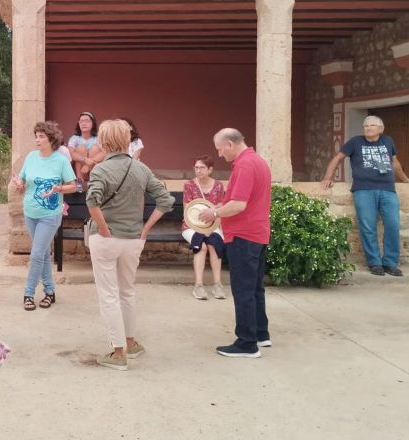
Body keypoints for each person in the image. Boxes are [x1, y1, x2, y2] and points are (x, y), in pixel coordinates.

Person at [85, 119, 175, 371]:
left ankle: (117, 353)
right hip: (133, 239)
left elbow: (92, 201)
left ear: (103, 142)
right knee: (127, 291)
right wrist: (145, 230)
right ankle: (131, 343)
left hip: (106, 240)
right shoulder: (141, 169)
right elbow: (165, 201)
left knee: (109, 295)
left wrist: (103, 228)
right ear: (127, 141)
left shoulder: (100, 170)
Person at [198, 128, 271, 358]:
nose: (220, 155)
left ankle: (247, 343)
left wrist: (214, 213)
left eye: (220, 149)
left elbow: (238, 204)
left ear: (230, 144)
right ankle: (261, 333)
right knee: (255, 287)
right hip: (257, 233)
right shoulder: (258, 160)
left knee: (243, 290)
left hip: (243, 235)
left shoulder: (244, 165)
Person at [321, 115, 409, 276]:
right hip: (364, 189)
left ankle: (390, 263)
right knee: (368, 227)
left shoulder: (387, 141)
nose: (368, 128)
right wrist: (328, 176)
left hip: (388, 189)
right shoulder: (355, 142)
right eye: (366, 126)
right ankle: (374, 262)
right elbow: (338, 158)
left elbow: (394, 163)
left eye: (372, 125)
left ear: (380, 129)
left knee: (393, 224)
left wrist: (404, 179)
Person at [10, 121, 76, 311]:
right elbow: (23, 182)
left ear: (51, 139)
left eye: (41, 136)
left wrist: (59, 188)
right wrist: (19, 184)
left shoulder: (61, 160)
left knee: (37, 254)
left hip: (50, 214)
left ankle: (28, 294)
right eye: (36, 136)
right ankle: (50, 292)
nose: (37, 140)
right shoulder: (31, 157)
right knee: (44, 253)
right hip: (30, 212)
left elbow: (74, 185)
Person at [182, 155, 226, 300]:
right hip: (192, 225)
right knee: (201, 246)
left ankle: (217, 284)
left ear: (210, 169)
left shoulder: (218, 186)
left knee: (214, 244)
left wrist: (211, 228)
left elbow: (221, 209)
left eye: (202, 168)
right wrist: (201, 229)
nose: (198, 170)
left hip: (213, 225)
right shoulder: (189, 185)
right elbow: (187, 211)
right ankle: (198, 286)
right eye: (196, 167)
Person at [67, 111, 105, 183]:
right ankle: (79, 183)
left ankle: (94, 182)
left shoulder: (98, 138)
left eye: (87, 121)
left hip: (93, 166)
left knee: (95, 148)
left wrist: (89, 163)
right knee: (80, 148)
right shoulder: (74, 138)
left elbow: (104, 152)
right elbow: (71, 153)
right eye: (81, 121)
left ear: (93, 123)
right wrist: (85, 160)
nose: (83, 123)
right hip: (80, 167)